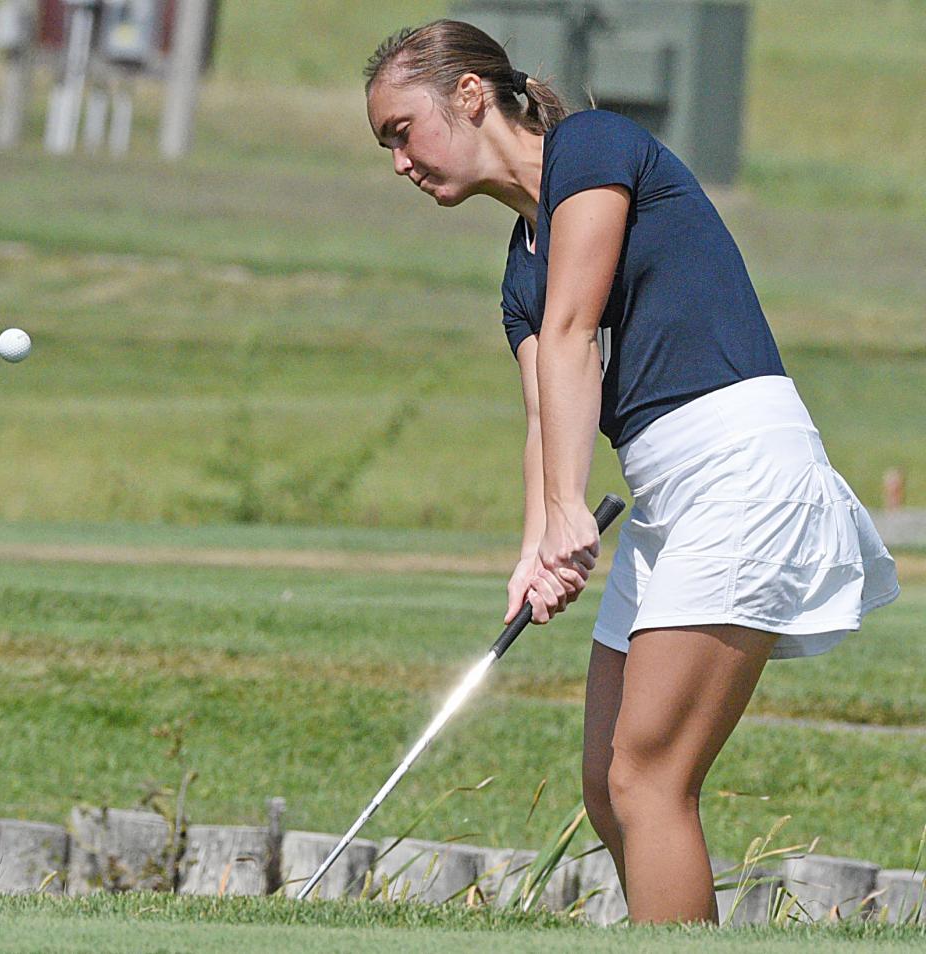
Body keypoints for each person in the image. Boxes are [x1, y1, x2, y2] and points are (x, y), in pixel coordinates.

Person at [364, 20, 900, 924]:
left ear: (467, 94)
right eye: (385, 145)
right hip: (669, 495)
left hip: (742, 466)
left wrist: (573, 506)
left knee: (650, 778)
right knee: (609, 786)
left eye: (400, 130)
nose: (399, 162)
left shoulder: (596, 147)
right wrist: (538, 547)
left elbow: (575, 336)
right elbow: (545, 411)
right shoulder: (517, 268)